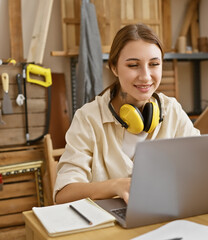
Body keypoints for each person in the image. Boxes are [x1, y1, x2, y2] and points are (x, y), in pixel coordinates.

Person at [54, 23, 200, 204]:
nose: (146, 76)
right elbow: (63, 194)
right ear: (114, 68)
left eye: (154, 64)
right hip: (106, 227)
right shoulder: (88, 118)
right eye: (133, 65)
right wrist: (116, 186)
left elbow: (200, 165)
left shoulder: (172, 111)